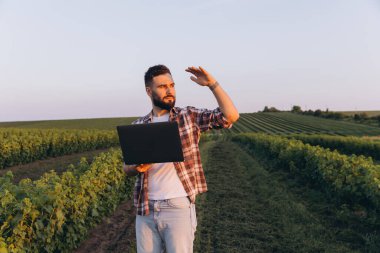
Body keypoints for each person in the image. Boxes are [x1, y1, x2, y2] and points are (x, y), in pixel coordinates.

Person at [123, 64, 239, 253]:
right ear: (148, 91)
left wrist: (213, 85)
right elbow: (126, 168)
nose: (169, 90)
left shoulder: (188, 117)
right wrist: (136, 168)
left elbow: (231, 116)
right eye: (162, 87)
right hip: (146, 209)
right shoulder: (138, 126)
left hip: (177, 207)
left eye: (172, 85)